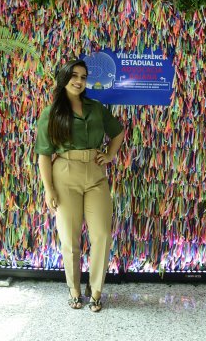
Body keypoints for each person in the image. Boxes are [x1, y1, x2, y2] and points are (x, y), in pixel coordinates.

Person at [35, 60, 124, 312]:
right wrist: (48, 189)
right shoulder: (51, 112)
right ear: (63, 78)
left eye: (83, 77)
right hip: (64, 174)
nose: (79, 81)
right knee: (69, 238)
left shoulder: (96, 108)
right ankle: (74, 290)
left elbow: (117, 132)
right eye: (74, 76)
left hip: (95, 175)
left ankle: (95, 291)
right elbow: (43, 154)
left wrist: (109, 155)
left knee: (102, 235)